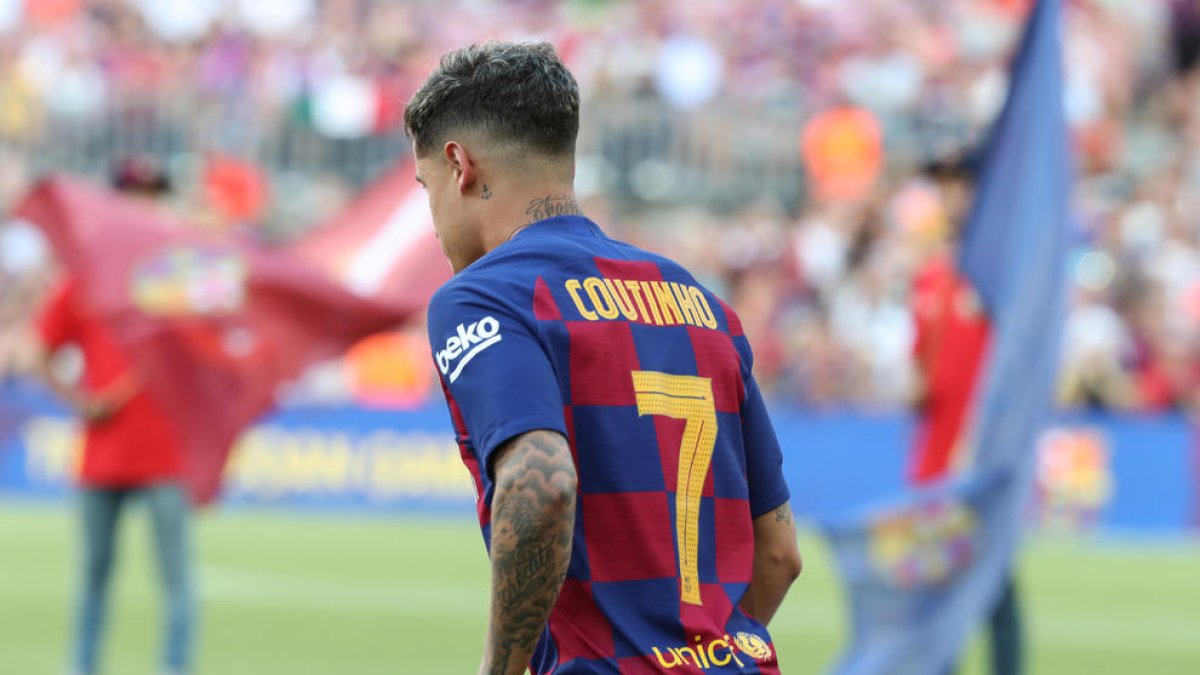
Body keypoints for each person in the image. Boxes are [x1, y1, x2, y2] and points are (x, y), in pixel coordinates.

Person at [406, 41, 802, 674]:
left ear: (460, 166)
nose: (431, 220)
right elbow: (779, 554)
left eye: (424, 187)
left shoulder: (485, 296)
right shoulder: (702, 304)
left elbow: (542, 484)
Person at [35, 156, 194, 675]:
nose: (143, 206)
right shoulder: (86, 277)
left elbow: (211, 346)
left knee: (175, 576)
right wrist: (81, 399)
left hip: (166, 450)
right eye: (134, 196)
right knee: (93, 574)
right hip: (103, 450)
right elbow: (41, 349)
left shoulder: (178, 276)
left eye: (152, 197)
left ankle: (174, 667)